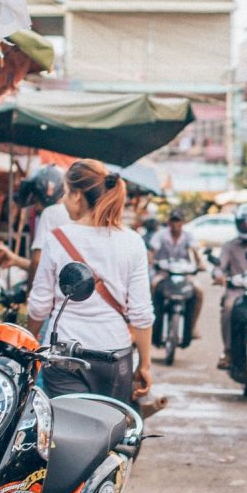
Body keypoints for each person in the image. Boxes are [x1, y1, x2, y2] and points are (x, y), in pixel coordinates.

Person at [27, 159, 153, 401]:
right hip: (114, 354)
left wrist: (30, 346)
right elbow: (141, 313)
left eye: (65, 193)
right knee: (109, 430)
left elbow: (39, 305)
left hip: (65, 355)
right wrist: (145, 365)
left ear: (76, 196)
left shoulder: (56, 239)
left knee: (67, 431)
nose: (63, 201)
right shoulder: (132, 241)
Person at [212, 202, 247, 371]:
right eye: (244, 222)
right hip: (237, 291)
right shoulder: (230, 246)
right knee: (228, 307)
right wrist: (219, 275)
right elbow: (219, 266)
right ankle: (228, 351)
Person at [149, 208, 206, 343]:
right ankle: (150, 322)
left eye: (178, 221)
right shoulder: (161, 235)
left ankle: (193, 327)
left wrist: (200, 264)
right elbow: (152, 252)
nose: (176, 224)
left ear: (183, 222)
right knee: (153, 285)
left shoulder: (188, 236)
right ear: (169, 222)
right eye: (173, 221)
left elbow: (196, 251)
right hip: (164, 273)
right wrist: (152, 262)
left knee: (199, 291)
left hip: (184, 273)